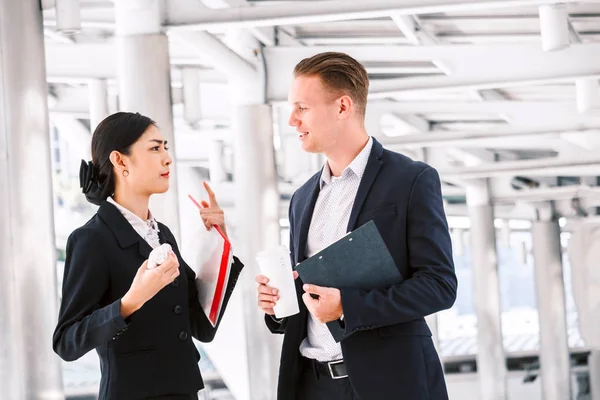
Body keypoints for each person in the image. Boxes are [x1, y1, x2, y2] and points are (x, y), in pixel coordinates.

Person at [256, 52, 457, 400]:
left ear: (343, 106)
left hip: (388, 383)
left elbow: (439, 285)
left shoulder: (410, 180)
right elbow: (311, 297)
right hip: (311, 384)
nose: (291, 120)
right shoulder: (302, 198)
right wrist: (280, 305)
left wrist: (348, 306)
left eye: (302, 107)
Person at [53, 112, 244, 400]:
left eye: (165, 147)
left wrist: (220, 244)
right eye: (155, 148)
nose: (167, 158)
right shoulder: (92, 239)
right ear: (120, 161)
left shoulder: (162, 235)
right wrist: (131, 301)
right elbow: (67, 341)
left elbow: (200, 327)